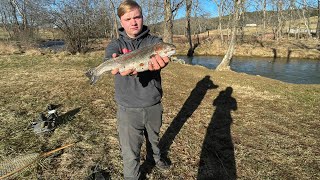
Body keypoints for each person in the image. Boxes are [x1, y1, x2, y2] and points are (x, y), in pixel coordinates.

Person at [104, 1, 170, 179]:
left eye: (137, 17)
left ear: (142, 17)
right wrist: (117, 61)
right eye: (128, 18)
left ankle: (155, 159)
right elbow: (112, 59)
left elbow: (162, 53)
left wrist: (159, 63)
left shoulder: (154, 42)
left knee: (154, 139)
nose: (133, 22)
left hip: (153, 103)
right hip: (128, 108)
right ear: (121, 21)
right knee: (130, 151)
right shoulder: (115, 45)